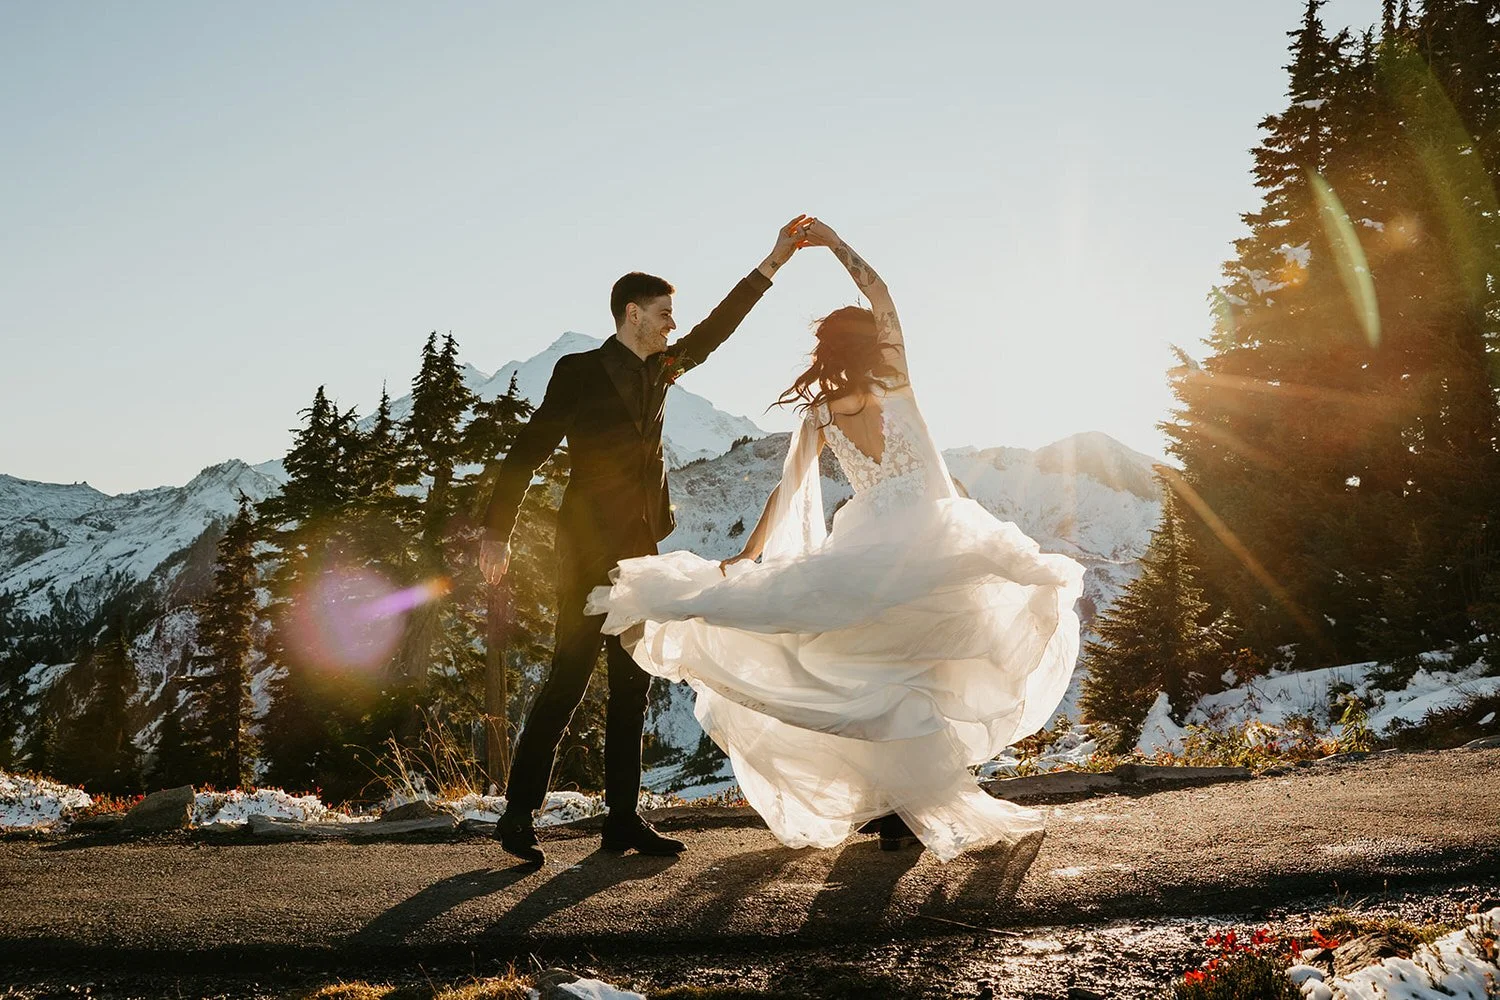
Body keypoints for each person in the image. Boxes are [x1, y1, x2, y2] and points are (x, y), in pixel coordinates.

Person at [586, 219, 1086, 861]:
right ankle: (906, 804)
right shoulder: (897, 382)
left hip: (868, 546)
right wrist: (834, 243)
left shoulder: (819, 415)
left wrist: (746, 556)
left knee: (872, 678)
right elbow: (884, 294)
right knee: (925, 673)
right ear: (872, 346)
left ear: (827, 352)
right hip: (936, 533)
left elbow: (786, 494)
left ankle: (888, 805)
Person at [479, 216, 813, 865]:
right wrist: (497, 535)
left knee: (635, 684)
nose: (673, 326)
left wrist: (774, 260)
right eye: (664, 314)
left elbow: (718, 329)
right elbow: (525, 453)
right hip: (582, 550)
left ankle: (622, 821)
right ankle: (519, 815)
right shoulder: (577, 373)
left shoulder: (661, 369)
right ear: (632, 313)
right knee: (568, 679)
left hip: (640, 552)